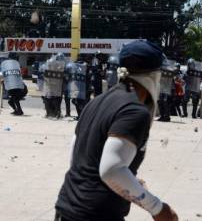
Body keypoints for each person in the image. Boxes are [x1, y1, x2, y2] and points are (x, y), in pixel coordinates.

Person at [55, 40, 178, 221]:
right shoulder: (136, 111)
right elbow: (112, 170)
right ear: (154, 76)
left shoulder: (97, 101)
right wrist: (158, 208)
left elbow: (77, 156)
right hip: (96, 215)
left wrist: (132, 183)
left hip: (67, 207)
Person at [42, 53, 65, 118]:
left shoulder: (50, 64)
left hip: (51, 85)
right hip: (56, 86)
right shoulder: (61, 66)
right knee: (56, 99)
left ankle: (52, 113)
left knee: (51, 99)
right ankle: (55, 113)